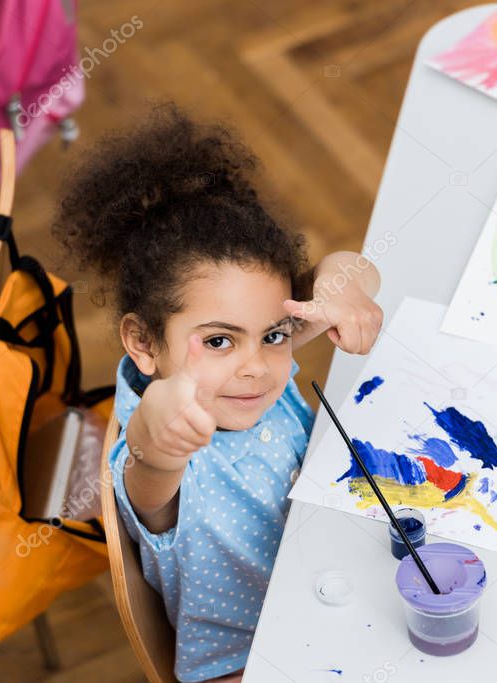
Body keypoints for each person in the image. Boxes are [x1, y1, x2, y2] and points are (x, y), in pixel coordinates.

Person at [54, 103, 382, 682]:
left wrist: (341, 289)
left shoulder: (242, 369)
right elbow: (150, 461)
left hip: (336, 588)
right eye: (220, 341)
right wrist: (157, 437)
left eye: (275, 335)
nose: (255, 367)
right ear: (143, 342)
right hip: (251, 662)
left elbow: (352, 265)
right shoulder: (161, 457)